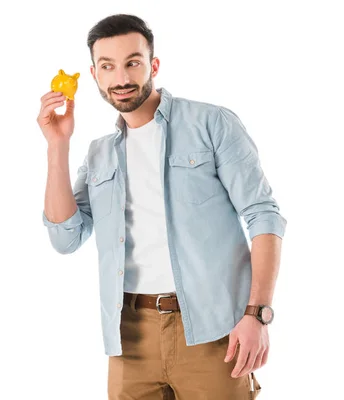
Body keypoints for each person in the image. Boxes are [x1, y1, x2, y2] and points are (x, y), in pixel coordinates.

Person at [38, 13, 286, 400]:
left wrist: (257, 314)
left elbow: (264, 216)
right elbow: (64, 237)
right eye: (108, 66)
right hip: (129, 338)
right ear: (94, 75)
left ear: (153, 65)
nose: (121, 77)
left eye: (132, 62)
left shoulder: (211, 124)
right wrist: (57, 145)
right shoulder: (100, 154)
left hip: (212, 331)